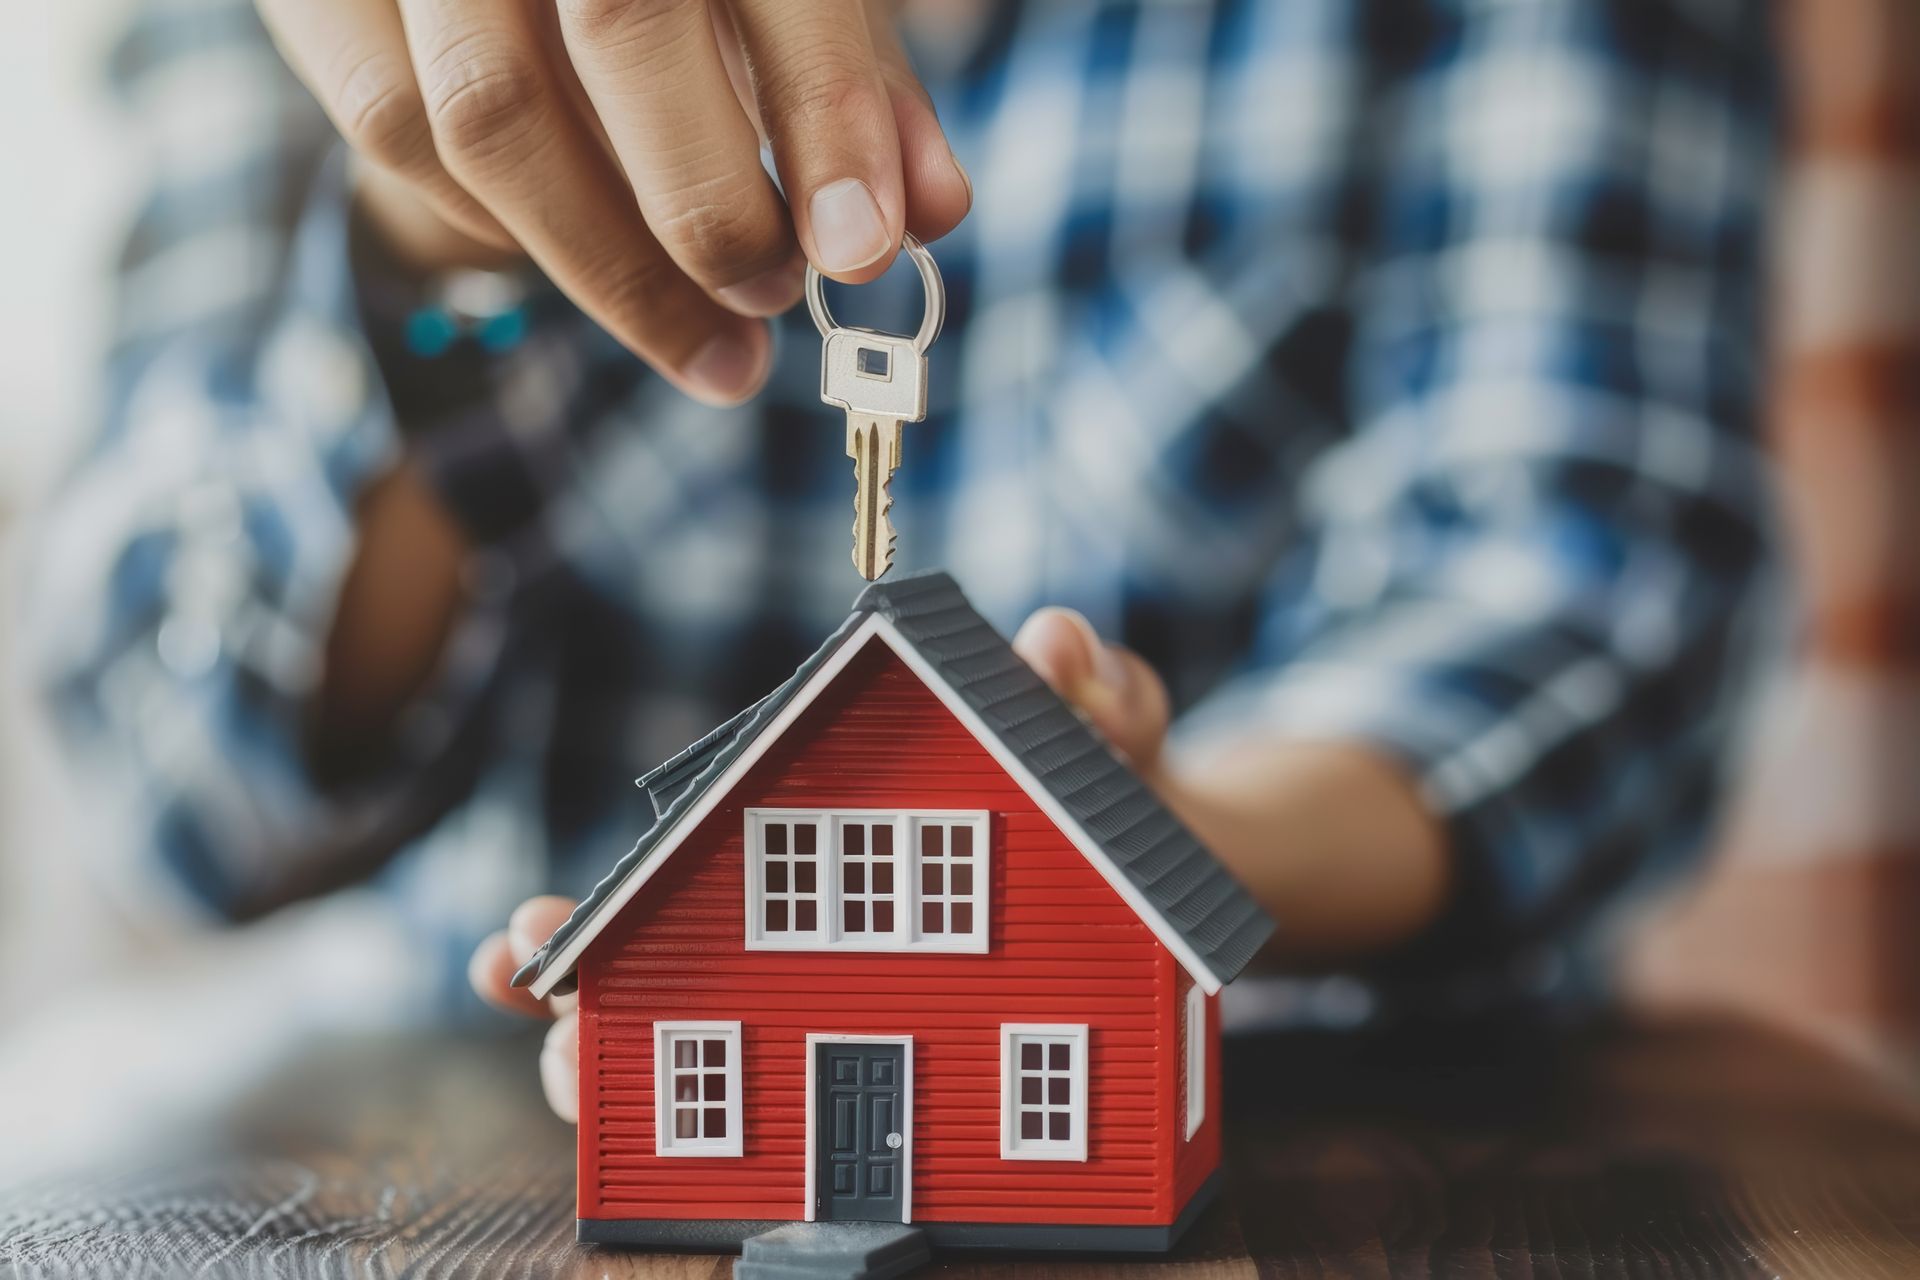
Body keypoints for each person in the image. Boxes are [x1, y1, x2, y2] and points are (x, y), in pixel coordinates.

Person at [24, 0, 1776, 1123]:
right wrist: (445, 252)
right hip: (439, 1119)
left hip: (1340, 1117)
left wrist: (1139, 860)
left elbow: (1585, 590)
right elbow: (171, 787)